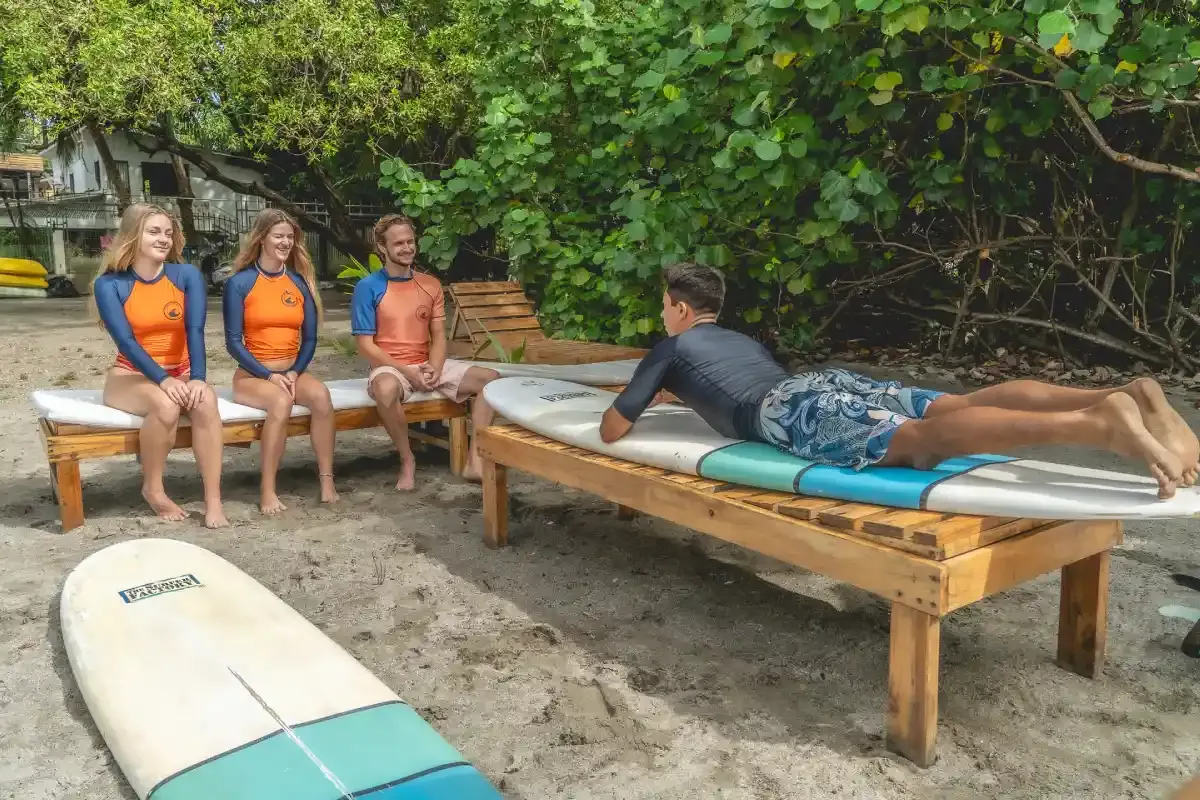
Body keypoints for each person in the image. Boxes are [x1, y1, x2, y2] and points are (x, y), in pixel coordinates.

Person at [600, 262, 1200, 499]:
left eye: (662, 306)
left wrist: (645, 389)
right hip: (819, 382)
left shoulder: (671, 347)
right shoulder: (743, 340)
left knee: (917, 444)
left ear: (679, 309)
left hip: (786, 410)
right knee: (955, 407)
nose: (662, 316)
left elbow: (614, 428)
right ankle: (1119, 395)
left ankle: (1097, 428)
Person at [93, 203, 228, 527]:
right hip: (131, 375)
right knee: (166, 406)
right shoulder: (109, 284)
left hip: (181, 371)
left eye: (168, 232)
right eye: (154, 231)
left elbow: (194, 330)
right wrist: (164, 381)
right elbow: (126, 343)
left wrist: (197, 378)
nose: (164, 239)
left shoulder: (186, 275)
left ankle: (213, 500)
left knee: (206, 401)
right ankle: (153, 488)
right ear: (133, 235)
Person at [351, 214, 500, 490]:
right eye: (399, 244)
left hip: (426, 362)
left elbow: (439, 336)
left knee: (490, 379)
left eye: (410, 241)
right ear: (383, 248)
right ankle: (407, 459)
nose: (407, 248)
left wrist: (434, 366)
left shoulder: (429, 285)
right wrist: (407, 371)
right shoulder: (368, 287)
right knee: (385, 389)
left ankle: (476, 460)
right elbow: (366, 346)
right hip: (391, 366)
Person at [223, 208, 338, 513]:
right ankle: (268, 490)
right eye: (279, 236)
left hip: (292, 372)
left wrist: (295, 371)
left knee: (322, 397)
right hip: (252, 376)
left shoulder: (300, 283)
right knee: (280, 403)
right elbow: (233, 342)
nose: (286, 242)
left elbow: (310, 339)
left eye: (290, 237)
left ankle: (327, 480)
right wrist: (269, 375)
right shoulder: (240, 284)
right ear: (262, 238)